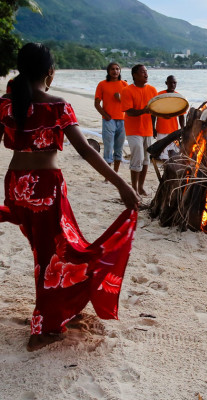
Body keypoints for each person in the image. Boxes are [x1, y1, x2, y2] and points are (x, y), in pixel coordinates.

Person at [0, 43, 140, 351]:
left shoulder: (6, 104)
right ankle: (43, 328)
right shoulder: (57, 105)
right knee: (53, 257)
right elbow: (87, 151)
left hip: (16, 187)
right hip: (45, 189)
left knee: (47, 253)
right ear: (50, 72)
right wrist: (121, 184)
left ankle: (56, 312)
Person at [121, 64, 157, 196]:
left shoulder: (152, 90)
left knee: (146, 159)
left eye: (146, 72)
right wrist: (143, 110)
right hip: (133, 129)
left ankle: (141, 187)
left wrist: (154, 127)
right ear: (135, 75)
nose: (146, 74)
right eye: (143, 72)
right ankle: (134, 188)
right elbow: (129, 112)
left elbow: (154, 111)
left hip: (147, 129)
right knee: (138, 157)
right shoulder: (127, 90)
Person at [94, 62, 128, 172]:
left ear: (120, 71)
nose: (115, 71)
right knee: (108, 148)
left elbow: (129, 104)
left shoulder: (124, 85)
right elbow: (96, 103)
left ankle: (116, 173)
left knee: (119, 148)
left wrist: (119, 98)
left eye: (117, 69)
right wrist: (105, 115)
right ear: (108, 71)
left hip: (122, 120)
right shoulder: (102, 84)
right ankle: (108, 175)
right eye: (112, 69)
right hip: (108, 120)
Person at [155, 75, 185, 160]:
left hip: (173, 129)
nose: (172, 85)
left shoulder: (179, 97)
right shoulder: (160, 95)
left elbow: (181, 115)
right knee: (162, 154)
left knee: (172, 154)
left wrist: (182, 129)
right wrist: (153, 127)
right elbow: (153, 113)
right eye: (170, 83)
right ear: (166, 83)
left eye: (174, 83)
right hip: (161, 128)